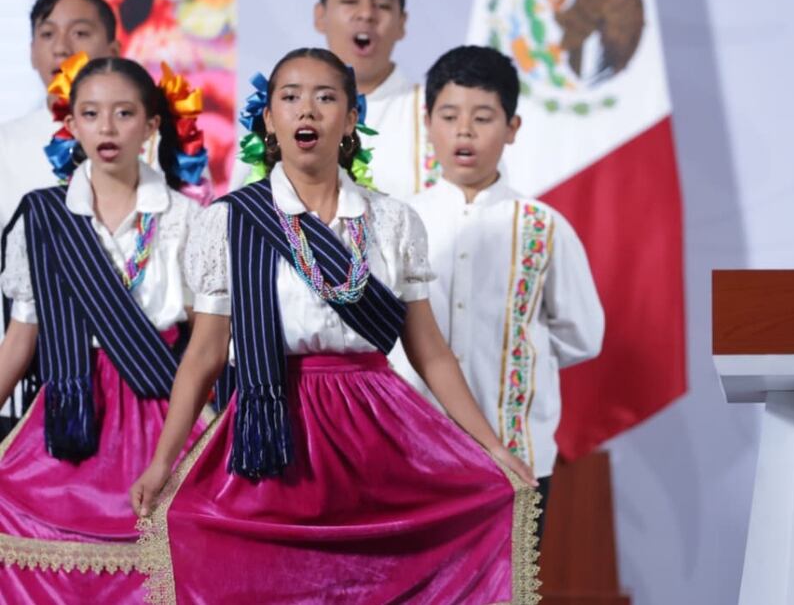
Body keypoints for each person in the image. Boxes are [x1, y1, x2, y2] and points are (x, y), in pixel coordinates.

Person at [130, 48, 540, 604]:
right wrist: (162, 462)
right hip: (273, 431)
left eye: (326, 98)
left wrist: (490, 447)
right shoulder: (229, 221)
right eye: (290, 98)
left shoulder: (390, 221)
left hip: (377, 429)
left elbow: (430, 353)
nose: (308, 111)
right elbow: (204, 356)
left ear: (350, 120)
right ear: (269, 119)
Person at [0, 57, 210, 602]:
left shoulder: (185, 220)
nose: (107, 128)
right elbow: (21, 339)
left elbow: (206, 342)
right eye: (90, 114)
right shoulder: (44, 217)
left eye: (124, 113)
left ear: (152, 125)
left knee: (179, 547)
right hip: (73, 412)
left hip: (163, 407)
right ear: (72, 125)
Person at [396, 45, 604, 539]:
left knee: (506, 587)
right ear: (428, 122)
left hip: (517, 455)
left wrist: (515, 351)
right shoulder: (399, 220)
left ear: (512, 127)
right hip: (411, 452)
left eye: (483, 117)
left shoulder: (542, 226)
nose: (464, 131)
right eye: (449, 115)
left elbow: (583, 336)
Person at [313, 0, 437, 197]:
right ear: (321, 16)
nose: (367, 14)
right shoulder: (282, 112)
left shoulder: (441, 116)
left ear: (402, 24)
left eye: (382, 5)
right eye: (350, 1)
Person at [0, 0, 120, 234]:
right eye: (47, 34)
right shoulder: (5, 145)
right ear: (32, 53)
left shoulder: (156, 138)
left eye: (80, 33)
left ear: (113, 52)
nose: (61, 49)